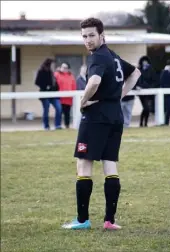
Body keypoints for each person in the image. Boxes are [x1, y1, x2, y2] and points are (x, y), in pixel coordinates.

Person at [62, 18, 141, 230]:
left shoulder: (97, 57)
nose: (87, 40)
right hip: (115, 116)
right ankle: (109, 221)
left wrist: (83, 100)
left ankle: (82, 221)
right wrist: (118, 97)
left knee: (84, 163)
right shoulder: (112, 56)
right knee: (109, 164)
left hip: (96, 116)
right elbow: (135, 73)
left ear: (101, 35)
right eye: (84, 36)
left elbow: (94, 81)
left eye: (91, 35)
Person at [35, 58, 62, 130]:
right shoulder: (41, 71)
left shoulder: (52, 73)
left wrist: (55, 88)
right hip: (45, 94)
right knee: (46, 110)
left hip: (53, 94)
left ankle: (57, 125)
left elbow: (55, 84)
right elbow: (37, 82)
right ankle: (46, 126)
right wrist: (46, 86)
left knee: (59, 108)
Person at [136, 56, 156, 127]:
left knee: (147, 108)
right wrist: (137, 87)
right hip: (141, 92)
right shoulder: (138, 70)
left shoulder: (151, 70)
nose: (145, 63)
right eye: (143, 62)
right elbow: (135, 80)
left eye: (146, 62)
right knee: (146, 108)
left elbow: (154, 80)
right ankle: (142, 123)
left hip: (149, 91)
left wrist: (151, 87)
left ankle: (144, 123)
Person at [54, 63, 76, 128]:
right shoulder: (56, 75)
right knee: (59, 112)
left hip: (68, 98)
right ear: (60, 67)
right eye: (63, 67)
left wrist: (73, 95)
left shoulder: (71, 76)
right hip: (59, 98)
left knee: (67, 113)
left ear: (68, 69)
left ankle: (67, 126)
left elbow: (74, 86)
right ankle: (58, 125)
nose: (64, 69)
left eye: (66, 67)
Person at [160, 59, 170, 125]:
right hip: (168, 94)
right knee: (169, 109)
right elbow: (162, 83)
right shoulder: (164, 73)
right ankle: (166, 123)